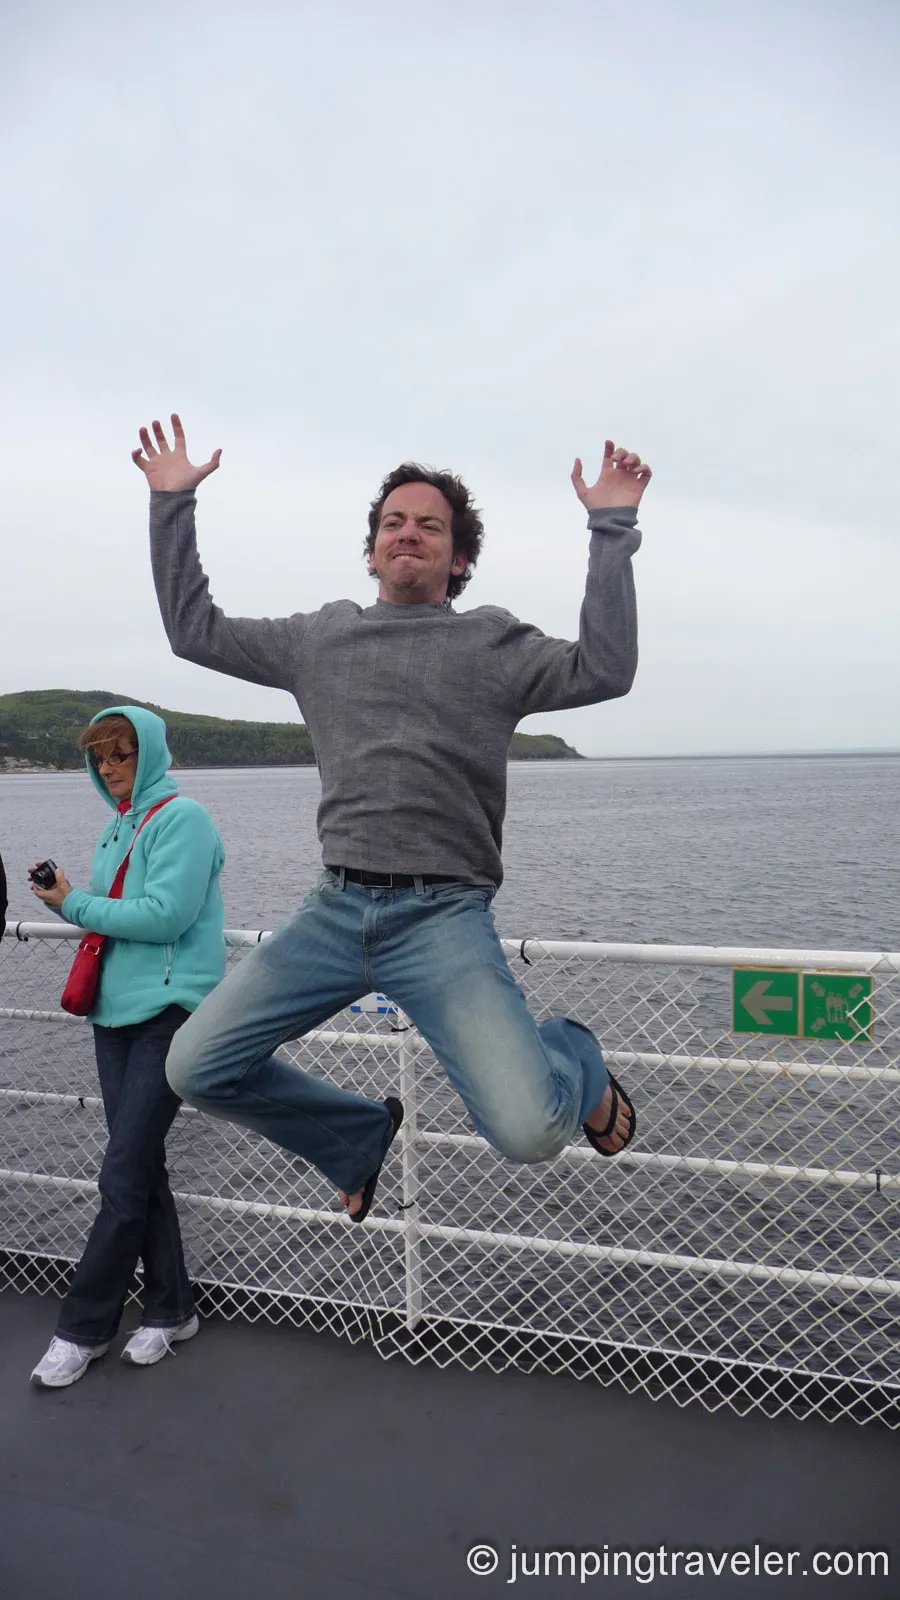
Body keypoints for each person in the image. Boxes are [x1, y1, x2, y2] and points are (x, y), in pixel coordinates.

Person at [136, 415, 649, 1225]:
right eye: (393, 524)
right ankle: (354, 1137)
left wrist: (611, 525)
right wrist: (172, 503)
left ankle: (574, 1055)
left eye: (430, 526)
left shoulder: (495, 644)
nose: (408, 534)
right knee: (195, 1066)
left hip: (441, 917)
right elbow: (193, 630)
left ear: (460, 557)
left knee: (528, 1132)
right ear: (373, 550)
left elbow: (605, 668)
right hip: (333, 911)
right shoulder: (321, 638)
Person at [29, 706, 225, 1387]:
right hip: (114, 1019)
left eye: (123, 755)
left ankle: (82, 1329)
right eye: (102, 758)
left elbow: (164, 914)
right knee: (140, 1168)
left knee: (120, 1173)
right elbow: (119, 915)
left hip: (169, 1014)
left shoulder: (183, 818)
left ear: (151, 756)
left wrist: (72, 902)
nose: (111, 768)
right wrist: (67, 899)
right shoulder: (118, 827)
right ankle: (172, 1309)